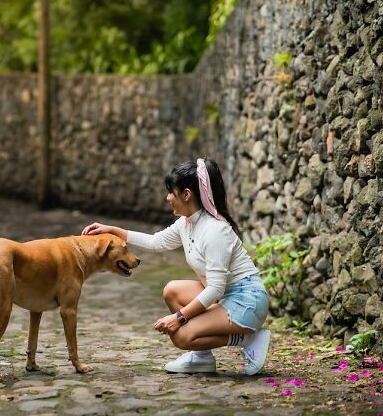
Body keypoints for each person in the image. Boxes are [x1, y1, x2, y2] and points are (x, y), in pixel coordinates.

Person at [81, 158, 271, 375]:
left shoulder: (216, 231)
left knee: (182, 336)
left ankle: (248, 338)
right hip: (225, 294)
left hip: (246, 301)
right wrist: (111, 229)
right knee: (172, 290)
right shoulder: (187, 222)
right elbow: (155, 242)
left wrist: (179, 317)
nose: (168, 197)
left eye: (171, 192)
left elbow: (216, 288)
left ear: (187, 194)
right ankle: (201, 358)